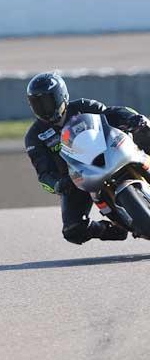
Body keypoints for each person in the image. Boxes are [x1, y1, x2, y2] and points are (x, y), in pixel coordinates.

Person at [24, 71, 150, 245]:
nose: (43, 108)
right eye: (37, 104)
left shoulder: (84, 106)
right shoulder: (34, 136)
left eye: (46, 102)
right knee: (72, 231)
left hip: (108, 152)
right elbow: (44, 174)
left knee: (145, 130)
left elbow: (112, 113)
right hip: (76, 177)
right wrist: (58, 184)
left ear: (60, 96)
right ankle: (113, 228)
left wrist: (132, 119)